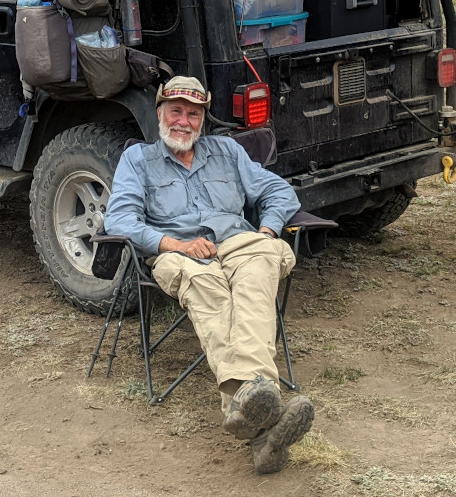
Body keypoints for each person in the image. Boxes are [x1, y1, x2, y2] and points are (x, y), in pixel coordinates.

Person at [103, 76, 315, 474]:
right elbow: (119, 219)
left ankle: (247, 406)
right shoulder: (138, 160)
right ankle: (258, 413)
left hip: (237, 243)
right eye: (176, 111)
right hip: (176, 253)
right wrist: (175, 245)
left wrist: (267, 228)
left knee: (259, 268)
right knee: (209, 289)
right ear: (160, 113)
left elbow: (280, 192)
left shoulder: (227, 151)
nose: (184, 121)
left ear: (203, 120)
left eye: (194, 114)